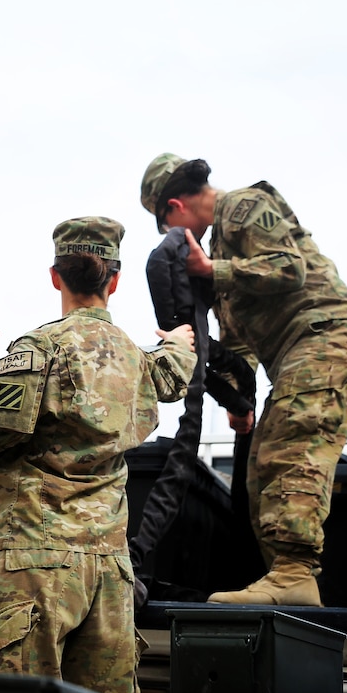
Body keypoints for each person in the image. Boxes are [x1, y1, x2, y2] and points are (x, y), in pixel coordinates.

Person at [138, 154, 347, 607]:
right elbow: (240, 346)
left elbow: (292, 268)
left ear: (175, 206)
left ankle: (294, 573)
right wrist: (237, 398)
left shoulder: (242, 207)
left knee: (288, 450)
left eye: (167, 223)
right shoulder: (215, 253)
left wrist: (214, 273)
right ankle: (282, 581)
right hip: (295, 355)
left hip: (327, 337)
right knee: (257, 468)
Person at [0, 216, 198, 693]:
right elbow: (173, 375)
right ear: (115, 280)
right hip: (108, 576)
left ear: (55, 276)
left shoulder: (36, 349)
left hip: (31, 562)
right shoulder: (138, 360)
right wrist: (180, 344)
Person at [128, 224, 260, 606]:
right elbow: (156, 263)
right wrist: (173, 326)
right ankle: (134, 560)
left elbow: (204, 364)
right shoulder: (181, 240)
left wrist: (238, 406)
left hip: (198, 350)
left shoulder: (192, 245)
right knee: (180, 462)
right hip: (189, 343)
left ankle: (134, 559)